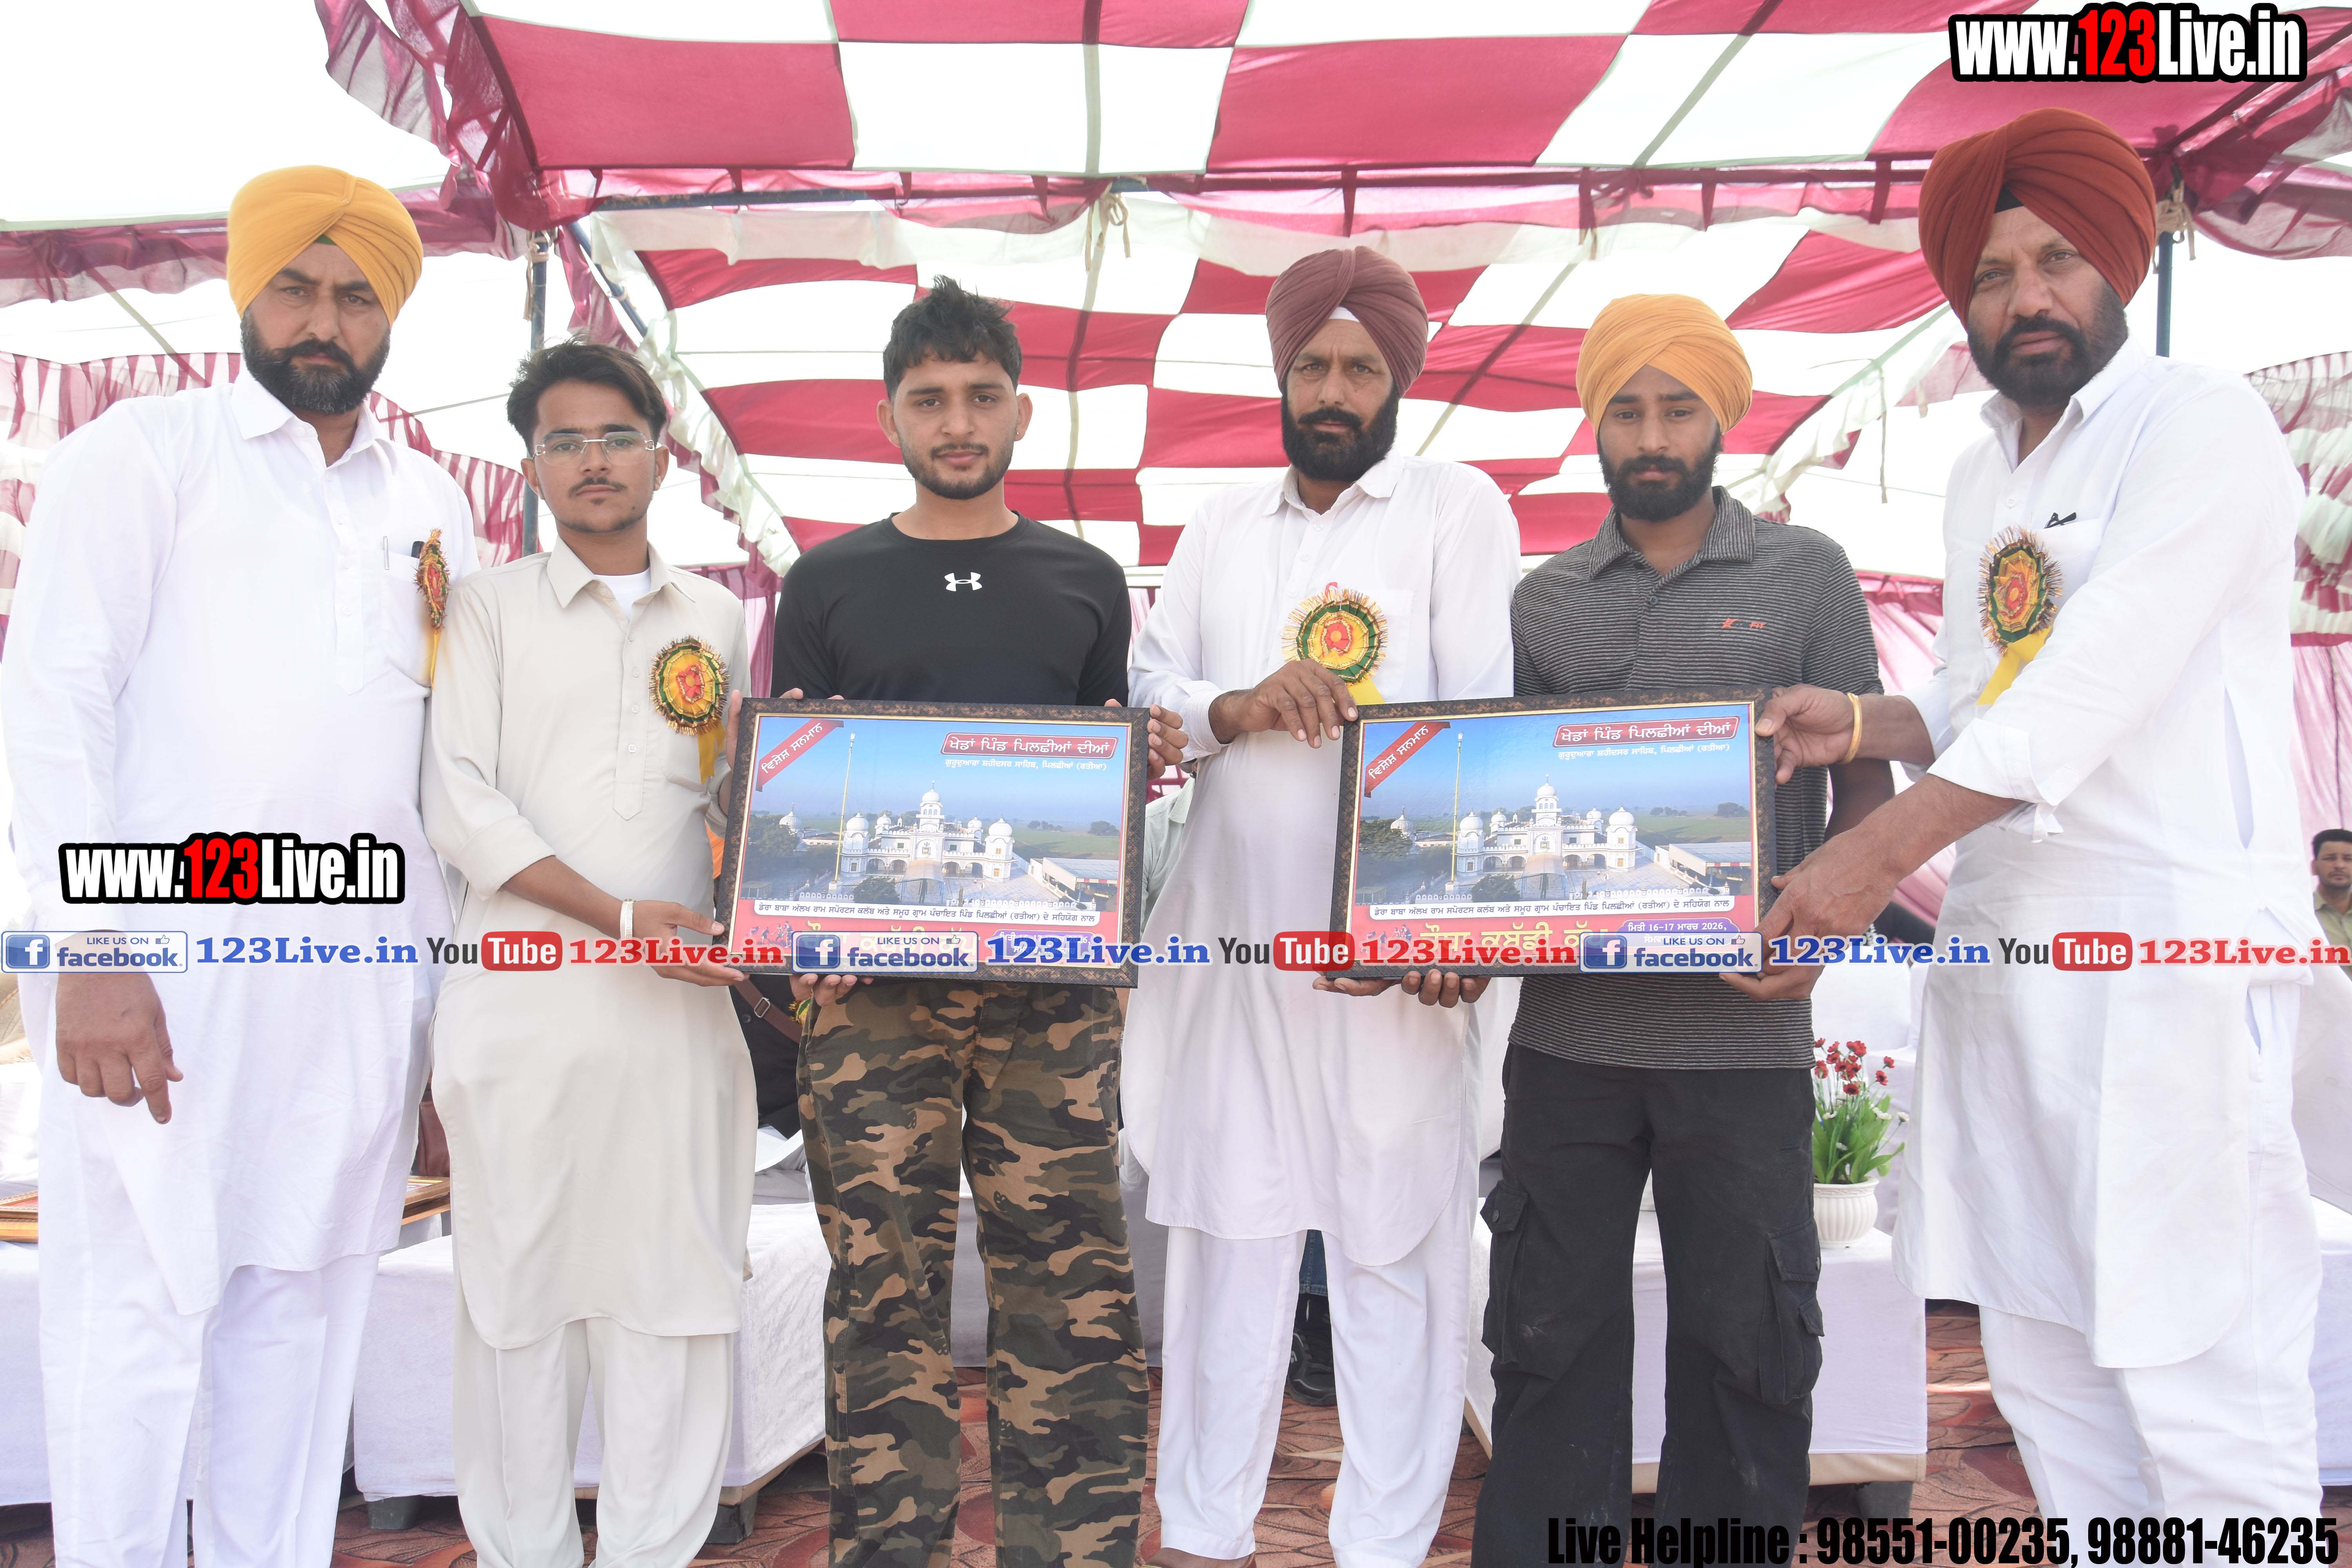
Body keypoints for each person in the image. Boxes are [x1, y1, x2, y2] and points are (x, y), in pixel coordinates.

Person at [1753, 107, 2323, 1517]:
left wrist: (1875, 848)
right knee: (2044, 1357)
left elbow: (2099, 674)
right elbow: (1980, 691)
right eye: (1993, 273)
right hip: (2005, 962)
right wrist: (1862, 723)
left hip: (2166, 965)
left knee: (2196, 1366)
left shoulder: (2195, 423)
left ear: (2118, 264)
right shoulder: (1979, 475)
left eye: (2055, 260)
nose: (2026, 297)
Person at [2, 165, 479, 1564]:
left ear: (391, 315)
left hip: (356, 978)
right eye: (296, 287)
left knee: (306, 1312)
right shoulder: (144, 455)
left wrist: (442, 1026)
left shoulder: (432, 504)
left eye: (356, 295)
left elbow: (435, 774)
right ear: (244, 293)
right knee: (137, 1314)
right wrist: (87, 953)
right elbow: (54, 706)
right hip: (163, 968)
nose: (323, 320)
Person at [770, 277, 1184, 1567]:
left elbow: (1106, 782)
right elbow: (796, 784)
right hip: (870, 998)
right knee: (880, 1285)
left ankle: (1076, 1548)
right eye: (930, 399)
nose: (957, 422)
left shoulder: (1086, 581)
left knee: (1072, 1281)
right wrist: (799, 939)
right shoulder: (826, 582)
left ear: (1021, 410)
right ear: (889, 415)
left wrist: (1136, 769)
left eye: (981, 396)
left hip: (1052, 998)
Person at [1468, 296, 1891, 1552]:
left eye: (1677, 408)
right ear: (1594, 425)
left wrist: (1828, 916)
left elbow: (1863, 775)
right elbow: (1493, 801)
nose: (1651, 436)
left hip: (1744, 1037)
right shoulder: (1542, 601)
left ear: (1722, 418)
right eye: (1626, 411)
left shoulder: (1806, 573)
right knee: (1546, 1343)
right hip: (1569, 1040)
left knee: (1746, 1347)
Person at [1125, 245, 1519, 1568]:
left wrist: (1447, 930)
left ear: (1397, 378)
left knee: (1393, 1250)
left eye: (1359, 367)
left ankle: (1388, 1545)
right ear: (1282, 375)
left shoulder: (1455, 509)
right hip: (1231, 951)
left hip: (1385, 961)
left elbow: (1483, 721)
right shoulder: (1221, 523)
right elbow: (1153, 688)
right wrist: (1232, 706)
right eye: (1312, 365)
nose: (1334, 391)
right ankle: (1204, 1532)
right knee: (1227, 1244)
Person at [422, 339, 753, 1566]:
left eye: (617, 436)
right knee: (519, 1297)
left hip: (675, 1022)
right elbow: (460, 805)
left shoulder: (716, 616)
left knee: (675, 1290)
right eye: (563, 441)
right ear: (532, 468)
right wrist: (618, 918)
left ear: (663, 457)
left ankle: (654, 1549)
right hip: (522, 1015)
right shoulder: (485, 607)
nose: (593, 460)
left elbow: (728, 800)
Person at [2314, 829, 2352, 976]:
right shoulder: (2301, 914)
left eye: (2348, 859)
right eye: (2330, 858)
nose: (2340, 865)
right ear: (2314, 867)